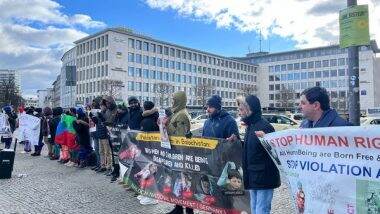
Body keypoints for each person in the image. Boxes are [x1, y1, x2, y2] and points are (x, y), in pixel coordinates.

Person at [236, 95, 280, 214]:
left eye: (241, 109)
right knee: (255, 210)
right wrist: (237, 142)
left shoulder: (265, 126)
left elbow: (276, 152)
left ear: (249, 109)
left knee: (261, 210)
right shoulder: (250, 126)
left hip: (264, 178)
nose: (239, 113)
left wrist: (267, 139)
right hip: (253, 176)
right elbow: (251, 147)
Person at [165, 91, 193, 214]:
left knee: (184, 181)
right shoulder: (177, 113)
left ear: (179, 100)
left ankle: (187, 209)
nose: (172, 102)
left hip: (180, 152)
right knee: (178, 180)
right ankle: (179, 206)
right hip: (177, 152)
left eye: (174, 100)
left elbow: (181, 137)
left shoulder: (181, 115)